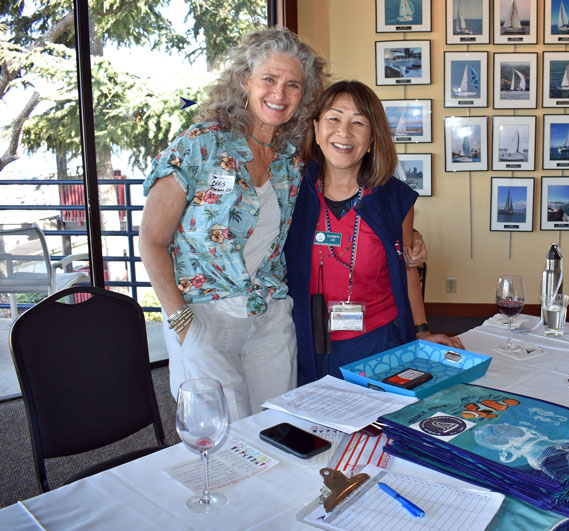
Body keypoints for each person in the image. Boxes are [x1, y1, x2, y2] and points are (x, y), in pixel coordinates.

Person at [139, 27, 328, 422]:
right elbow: (153, 240)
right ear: (245, 81)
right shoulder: (201, 143)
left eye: (293, 85)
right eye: (269, 80)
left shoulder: (291, 159)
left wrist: (406, 234)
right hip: (203, 315)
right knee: (221, 439)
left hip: (269, 315)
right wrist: (181, 322)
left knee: (277, 428)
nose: (280, 94)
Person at [285, 80, 463, 386]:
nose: (344, 132)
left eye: (358, 122)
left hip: (376, 342)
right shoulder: (291, 191)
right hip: (305, 340)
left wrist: (421, 329)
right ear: (316, 129)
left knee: (375, 429)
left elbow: (407, 268)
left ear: (371, 139)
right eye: (334, 118)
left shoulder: (394, 199)